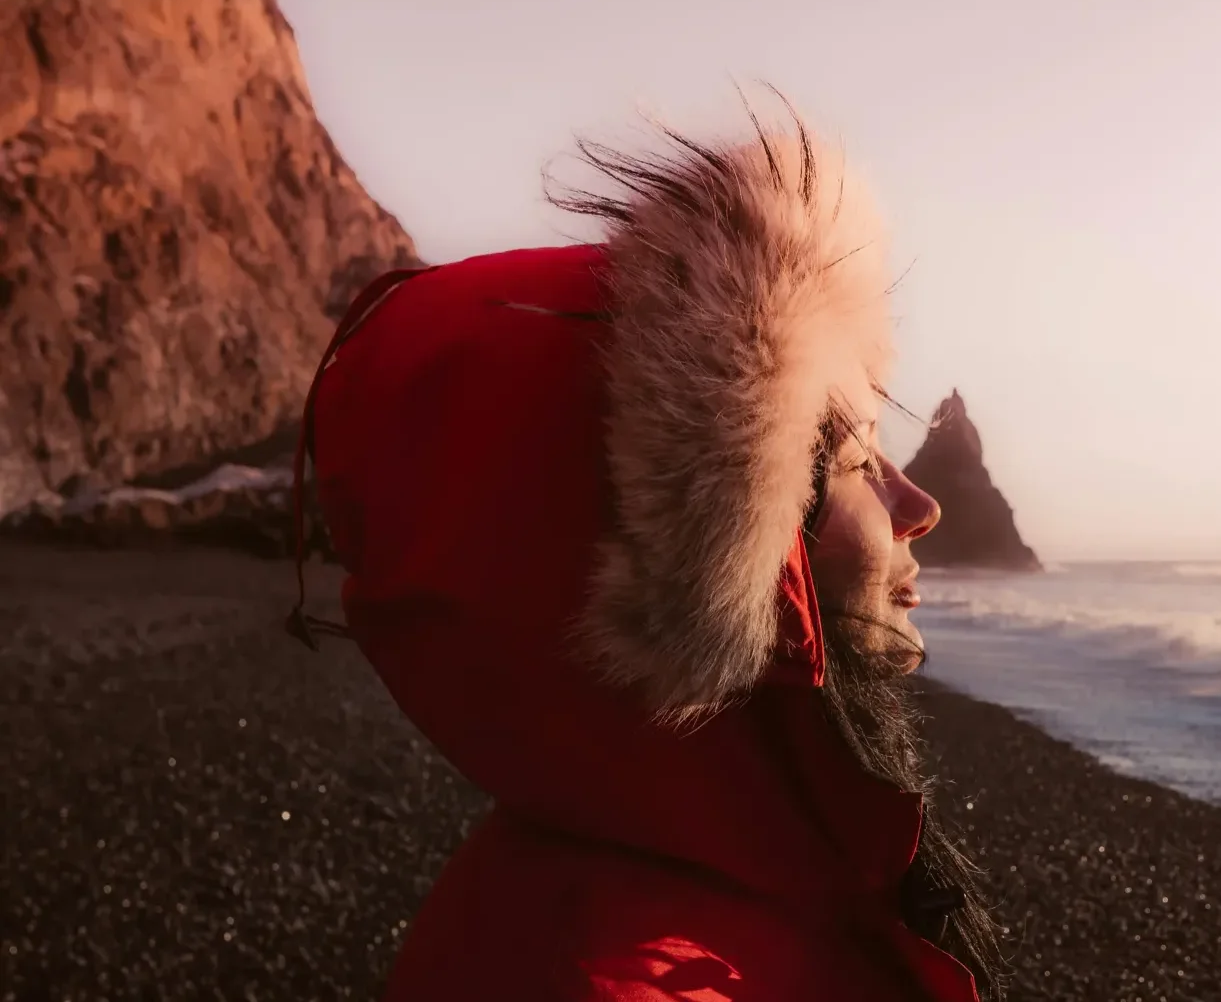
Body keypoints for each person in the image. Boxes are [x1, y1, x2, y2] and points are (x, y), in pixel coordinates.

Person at [289, 104, 1006, 1001]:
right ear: (718, 548)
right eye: (863, 464)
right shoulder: (625, 977)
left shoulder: (664, 861)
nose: (921, 507)